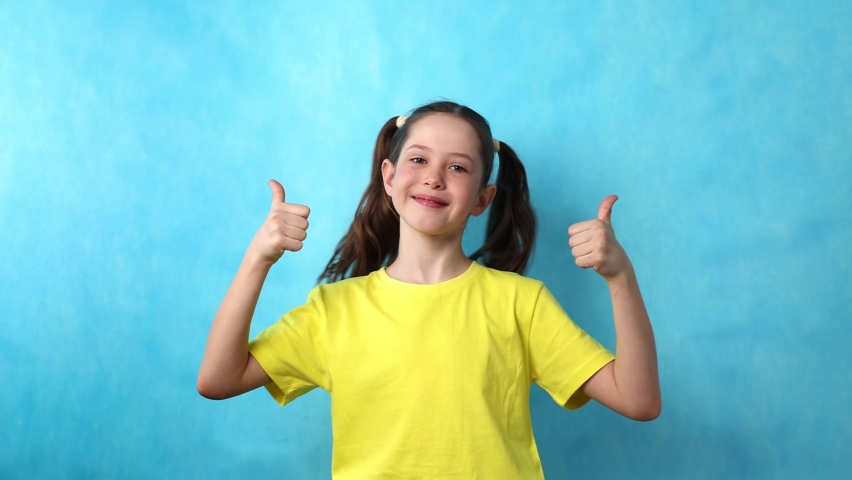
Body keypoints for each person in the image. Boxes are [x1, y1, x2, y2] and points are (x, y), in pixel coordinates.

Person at [197, 101, 661, 478]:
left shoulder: (521, 303)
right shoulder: (334, 310)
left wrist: (621, 278)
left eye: (458, 167)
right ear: (389, 176)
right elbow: (219, 380)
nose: (434, 177)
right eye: (418, 159)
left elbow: (638, 401)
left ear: (482, 198)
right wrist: (256, 259)